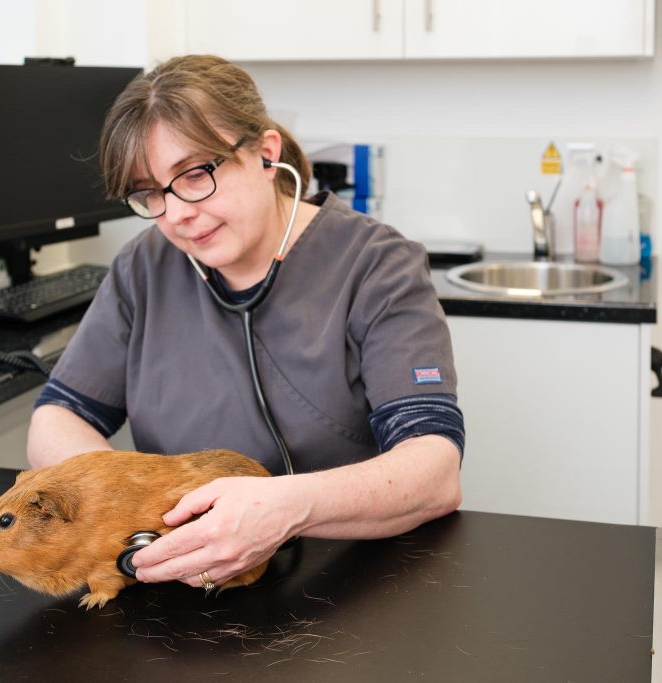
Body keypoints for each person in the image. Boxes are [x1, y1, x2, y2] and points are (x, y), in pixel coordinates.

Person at [27, 55, 464, 592]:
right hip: (180, 585)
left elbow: (434, 470)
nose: (177, 213)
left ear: (265, 153)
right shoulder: (145, 268)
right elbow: (57, 416)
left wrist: (288, 507)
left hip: (350, 585)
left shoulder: (377, 264)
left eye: (194, 175)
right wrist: (123, 496)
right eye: (151, 193)